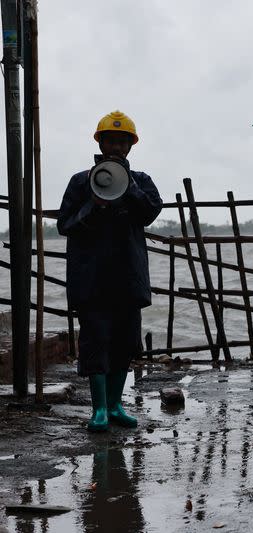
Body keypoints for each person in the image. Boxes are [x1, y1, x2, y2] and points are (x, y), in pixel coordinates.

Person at [57, 110, 163, 431]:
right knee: (95, 342)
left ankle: (116, 405)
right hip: (92, 280)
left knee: (125, 343)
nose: (116, 147)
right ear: (100, 143)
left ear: (130, 146)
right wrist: (93, 204)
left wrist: (128, 187)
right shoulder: (80, 182)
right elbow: (65, 224)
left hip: (127, 278)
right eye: (111, 140)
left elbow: (150, 213)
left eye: (122, 141)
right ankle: (99, 409)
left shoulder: (141, 182)